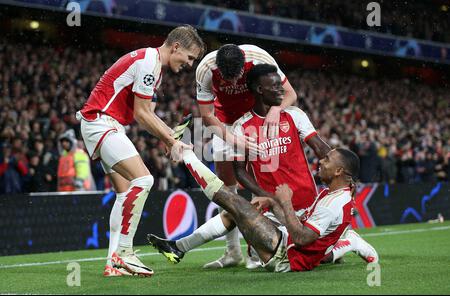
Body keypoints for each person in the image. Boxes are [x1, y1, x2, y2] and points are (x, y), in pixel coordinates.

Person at [76, 25, 205, 277]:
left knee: (124, 194)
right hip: (101, 122)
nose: (189, 64)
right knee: (144, 179)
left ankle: (113, 263)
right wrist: (172, 141)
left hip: (101, 123)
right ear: (176, 47)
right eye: (189, 57)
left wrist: (171, 138)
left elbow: (149, 114)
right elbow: (142, 114)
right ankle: (125, 253)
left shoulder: (152, 64)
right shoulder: (149, 62)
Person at [172, 64, 330, 269]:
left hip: (310, 206)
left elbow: (319, 147)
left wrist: (344, 173)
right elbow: (239, 170)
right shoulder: (242, 125)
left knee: (325, 254)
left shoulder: (293, 114)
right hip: (274, 211)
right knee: (245, 222)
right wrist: (267, 196)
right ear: (259, 89)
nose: (282, 89)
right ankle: (181, 246)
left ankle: (179, 246)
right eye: (274, 86)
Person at [148, 146, 379, 272]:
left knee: (231, 201)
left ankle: (187, 154)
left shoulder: (334, 203)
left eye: (327, 159)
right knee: (235, 211)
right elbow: (303, 234)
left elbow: (301, 239)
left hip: (286, 257)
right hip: (288, 243)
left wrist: (285, 202)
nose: (321, 161)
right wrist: (274, 203)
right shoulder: (335, 193)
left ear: (339, 171)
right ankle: (178, 247)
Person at [195, 43, 298, 268]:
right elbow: (206, 116)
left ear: (244, 65)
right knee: (225, 189)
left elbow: (290, 94)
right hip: (225, 124)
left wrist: (274, 111)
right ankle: (232, 252)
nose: (232, 84)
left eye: (237, 77)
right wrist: (234, 139)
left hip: (258, 122)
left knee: (257, 186)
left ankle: (258, 251)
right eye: (226, 79)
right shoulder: (205, 69)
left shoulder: (259, 57)